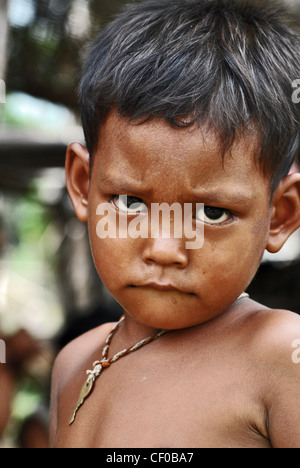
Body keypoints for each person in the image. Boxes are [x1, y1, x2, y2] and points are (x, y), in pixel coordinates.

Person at [50, 0, 300, 448]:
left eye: (212, 213)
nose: (164, 249)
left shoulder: (282, 356)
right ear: (83, 184)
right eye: (129, 202)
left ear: (280, 215)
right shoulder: (73, 361)